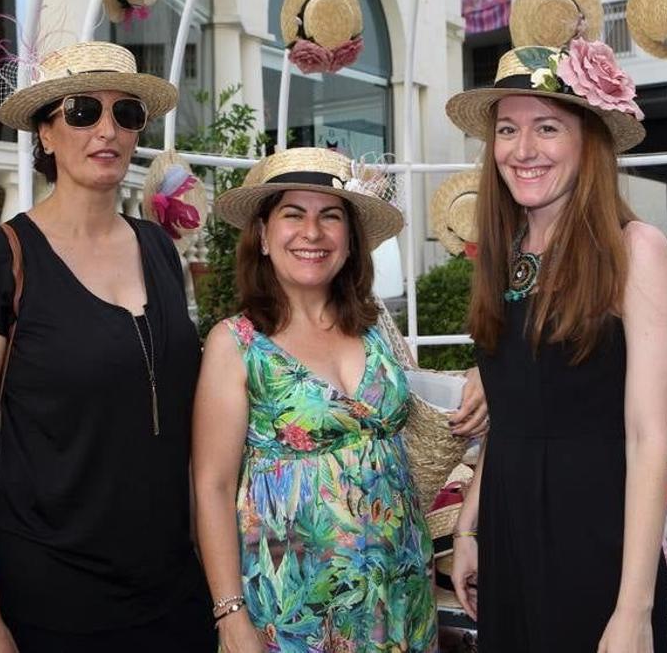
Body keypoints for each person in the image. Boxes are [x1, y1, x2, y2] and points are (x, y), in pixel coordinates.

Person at [0, 41, 215, 651]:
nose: (107, 129)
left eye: (127, 114)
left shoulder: (159, 250)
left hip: (173, 589)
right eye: (82, 112)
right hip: (50, 598)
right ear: (46, 133)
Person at [192, 147, 487, 653]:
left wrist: (485, 375)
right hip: (294, 610)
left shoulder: (376, 329)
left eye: (330, 216)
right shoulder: (236, 343)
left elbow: (432, 405)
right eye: (293, 215)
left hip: (398, 594)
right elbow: (212, 486)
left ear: (350, 241)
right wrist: (230, 612)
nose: (313, 232)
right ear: (263, 235)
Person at [444, 40, 667, 652]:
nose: (523, 150)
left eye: (546, 128)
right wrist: (470, 526)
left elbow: (649, 437)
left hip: (595, 535)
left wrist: (633, 609)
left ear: (589, 140)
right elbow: (512, 410)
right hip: (509, 526)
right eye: (507, 130)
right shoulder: (504, 252)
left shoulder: (636, 251)